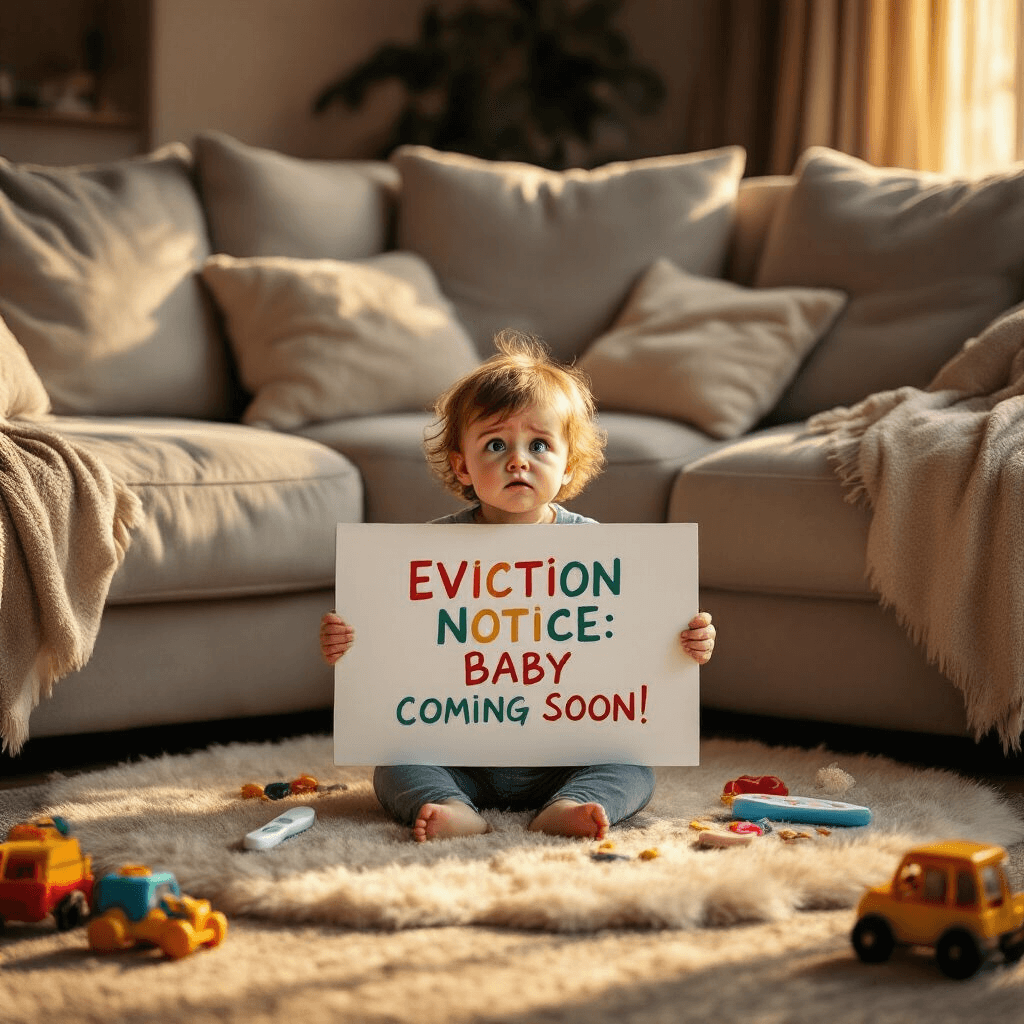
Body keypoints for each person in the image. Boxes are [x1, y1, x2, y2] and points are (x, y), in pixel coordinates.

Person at [320, 329, 716, 843]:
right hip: (458, 754)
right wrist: (349, 644)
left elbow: (637, 638)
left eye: (539, 444)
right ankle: (448, 806)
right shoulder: (426, 553)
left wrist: (687, 643)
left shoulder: (600, 551)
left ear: (568, 461)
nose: (518, 460)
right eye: (495, 444)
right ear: (462, 463)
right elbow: (394, 640)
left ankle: (573, 804)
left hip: (570, 753)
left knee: (634, 769)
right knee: (394, 767)